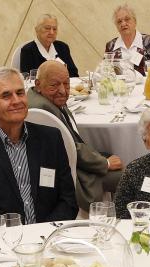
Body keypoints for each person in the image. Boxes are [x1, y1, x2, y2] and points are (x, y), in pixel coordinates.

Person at [0, 67, 77, 234]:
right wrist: (15, 232)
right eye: (6, 95)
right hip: (0, 244)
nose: (16, 101)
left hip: (47, 240)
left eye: (20, 93)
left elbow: (68, 200)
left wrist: (42, 233)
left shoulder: (50, 139)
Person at [28, 60, 123, 213]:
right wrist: (104, 163)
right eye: (54, 85)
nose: (63, 91)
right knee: (126, 176)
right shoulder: (41, 109)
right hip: (70, 173)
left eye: (66, 84)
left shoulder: (40, 97)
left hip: (70, 161)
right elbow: (68, 148)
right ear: (38, 84)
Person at [105, 4, 150, 77]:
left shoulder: (149, 41)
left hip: (145, 87)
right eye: (119, 21)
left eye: (127, 19)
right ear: (116, 26)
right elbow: (105, 72)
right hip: (120, 87)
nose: (123, 24)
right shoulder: (111, 46)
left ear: (135, 21)